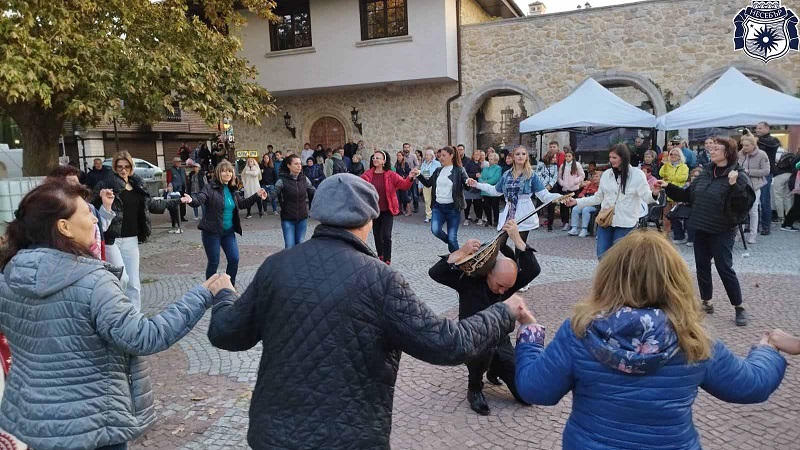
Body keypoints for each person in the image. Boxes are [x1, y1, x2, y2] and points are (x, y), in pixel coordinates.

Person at [206, 173, 530, 449]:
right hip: (349, 437)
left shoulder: (276, 266)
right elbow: (447, 344)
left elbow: (226, 332)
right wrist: (504, 312)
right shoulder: (380, 279)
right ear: (369, 220)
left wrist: (224, 294)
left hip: (272, 434)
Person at [0, 182, 225, 450]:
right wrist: (204, 294)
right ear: (64, 227)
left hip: (34, 422)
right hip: (93, 425)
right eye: (87, 213)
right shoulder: (93, 281)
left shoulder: (9, 274)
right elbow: (143, 336)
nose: (95, 219)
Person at [514, 230, 786, 450]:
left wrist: (530, 333)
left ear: (608, 277)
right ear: (676, 280)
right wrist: (768, 349)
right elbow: (752, 385)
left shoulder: (581, 332)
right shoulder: (691, 337)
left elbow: (534, 389)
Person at [429, 220, 540, 416]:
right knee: (480, 355)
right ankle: (474, 388)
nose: (504, 291)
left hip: (500, 342)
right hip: (474, 340)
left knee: (525, 395)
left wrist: (517, 240)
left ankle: (495, 369)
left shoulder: (508, 284)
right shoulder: (468, 281)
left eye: (508, 288)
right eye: (500, 286)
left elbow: (533, 270)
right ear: (489, 274)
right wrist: (461, 252)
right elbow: (435, 273)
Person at [658, 136, 756, 326]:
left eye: (716, 149)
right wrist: (668, 187)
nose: (712, 151)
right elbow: (688, 195)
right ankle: (706, 302)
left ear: (728, 153)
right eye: (711, 148)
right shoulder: (705, 173)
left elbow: (744, 205)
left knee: (724, 268)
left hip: (722, 229)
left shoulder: (738, 175)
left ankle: (739, 307)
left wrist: (734, 185)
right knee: (702, 266)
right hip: (701, 226)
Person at [93, 151, 190, 310]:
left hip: (131, 239)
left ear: (131, 167)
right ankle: (117, 311)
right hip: (112, 239)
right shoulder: (105, 185)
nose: (123, 170)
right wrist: (102, 200)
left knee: (134, 284)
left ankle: (134, 316)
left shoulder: (138, 185)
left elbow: (153, 205)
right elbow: (92, 208)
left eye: (126, 166)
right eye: (119, 167)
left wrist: (178, 201)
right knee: (121, 279)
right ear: (114, 167)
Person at [565, 144, 660, 259]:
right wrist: (576, 202)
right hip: (606, 220)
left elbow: (647, 197)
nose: (611, 160)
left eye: (614, 157)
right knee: (602, 256)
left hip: (626, 222)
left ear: (623, 157)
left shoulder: (637, 175)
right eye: (610, 157)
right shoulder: (606, 175)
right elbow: (598, 197)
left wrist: (654, 193)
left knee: (620, 258)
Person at [187, 161, 266, 286]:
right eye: (224, 171)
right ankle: (210, 289)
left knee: (234, 259)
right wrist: (191, 200)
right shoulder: (209, 188)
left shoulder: (232, 189)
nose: (227, 173)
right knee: (214, 262)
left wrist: (257, 195)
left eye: (229, 171)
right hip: (212, 232)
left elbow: (242, 204)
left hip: (228, 232)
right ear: (218, 173)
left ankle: (229, 287)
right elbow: (200, 198)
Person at [360, 151, 419, 264]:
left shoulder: (391, 175)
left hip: (388, 210)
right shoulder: (367, 175)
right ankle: (380, 256)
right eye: (374, 158)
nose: (375, 160)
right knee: (377, 235)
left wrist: (410, 177)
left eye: (378, 158)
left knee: (386, 235)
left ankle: (387, 259)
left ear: (384, 161)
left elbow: (404, 185)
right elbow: (358, 185)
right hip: (374, 211)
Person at [417, 146, 471, 252]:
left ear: (451, 156)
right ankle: (452, 244)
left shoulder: (459, 170)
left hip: (453, 208)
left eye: (443, 155)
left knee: (452, 237)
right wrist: (419, 174)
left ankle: (456, 258)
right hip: (438, 207)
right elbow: (428, 184)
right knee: (435, 230)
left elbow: (466, 184)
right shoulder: (438, 170)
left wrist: (468, 181)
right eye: (440, 155)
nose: (441, 157)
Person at [274, 154, 315, 249]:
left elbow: (314, 192)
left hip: (302, 217)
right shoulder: (282, 180)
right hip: (288, 218)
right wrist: (263, 195)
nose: (299, 166)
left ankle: (298, 259)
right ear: (289, 165)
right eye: (296, 164)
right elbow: (273, 194)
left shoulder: (304, 179)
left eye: (300, 164)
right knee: (289, 246)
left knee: (300, 244)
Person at [737, 134, 770, 244]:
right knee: (740, 210)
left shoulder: (762, 154)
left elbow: (766, 171)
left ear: (753, 145)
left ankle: (753, 235)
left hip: (755, 186)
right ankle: (739, 234)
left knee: (753, 210)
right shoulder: (740, 154)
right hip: (741, 186)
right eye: (743, 145)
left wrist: (749, 172)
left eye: (747, 145)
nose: (744, 147)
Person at [755, 121, 781, 235]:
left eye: (760, 128)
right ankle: (754, 225)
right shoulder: (755, 139)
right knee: (753, 200)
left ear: (767, 128)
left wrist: (757, 140)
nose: (757, 130)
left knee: (764, 200)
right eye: (757, 128)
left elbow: (773, 145)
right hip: (753, 172)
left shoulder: (773, 140)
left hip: (766, 173)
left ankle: (766, 226)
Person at [659, 148, 689, 236]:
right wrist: (664, 165)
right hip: (667, 192)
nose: (672, 156)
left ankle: (678, 234)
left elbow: (682, 178)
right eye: (671, 154)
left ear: (680, 156)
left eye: (675, 154)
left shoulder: (684, 167)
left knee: (677, 214)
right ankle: (666, 232)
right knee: (666, 213)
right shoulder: (666, 165)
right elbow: (661, 173)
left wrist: (669, 177)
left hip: (678, 193)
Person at [568, 170, 601, 237]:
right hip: (586, 202)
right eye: (593, 176)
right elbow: (582, 193)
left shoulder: (601, 187)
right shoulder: (589, 184)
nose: (594, 178)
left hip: (596, 206)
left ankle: (584, 229)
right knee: (575, 209)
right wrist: (582, 196)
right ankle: (574, 228)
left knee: (585, 209)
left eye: (596, 176)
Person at [557, 150, 585, 231]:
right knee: (565, 207)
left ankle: (574, 224)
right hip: (565, 189)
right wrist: (562, 183)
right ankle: (565, 223)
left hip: (574, 189)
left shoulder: (577, 165)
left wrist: (575, 181)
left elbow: (582, 175)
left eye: (569, 156)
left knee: (574, 207)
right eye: (566, 156)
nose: (567, 158)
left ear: (572, 157)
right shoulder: (563, 166)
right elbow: (559, 177)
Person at [535, 150, 560, 231]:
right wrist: (544, 186)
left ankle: (550, 224)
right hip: (541, 187)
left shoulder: (555, 166)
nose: (555, 159)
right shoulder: (541, 164)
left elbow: (555, 176)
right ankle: (534, 222)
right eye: (554, 158)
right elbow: (538, 175)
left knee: (551, 206)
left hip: (551, 187)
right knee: (538, 206)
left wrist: (550, 185)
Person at [773, 145, 798, 224]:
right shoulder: (788, 153)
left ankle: (781, 217)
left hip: (780, 175)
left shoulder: (775, 151)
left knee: (778, 196)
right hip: (789, 175)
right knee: (788, 197)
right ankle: (788, 217)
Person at [419, 148, 441, 224]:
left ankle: (436, 216)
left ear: (432, 156)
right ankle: (428, 216)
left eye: (428, 155)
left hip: (434, 185)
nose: (426, 156)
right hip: (426, 185)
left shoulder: (437, 164)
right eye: (426, 155)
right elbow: (421, 175)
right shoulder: (423, 164)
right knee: (427, 200)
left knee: (435, 201)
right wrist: (420, 186)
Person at [480, 152, 503, 228]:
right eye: (489, 159)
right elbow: (480, 177)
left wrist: (486, 182)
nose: (490, 161)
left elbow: (496, 178)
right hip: (485, 190)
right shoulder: (485, 168)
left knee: (495, 206)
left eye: (491, 159)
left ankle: (496, 221)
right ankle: (489, 221)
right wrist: (482, 182)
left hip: (494, 190)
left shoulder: (498, 168)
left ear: (496, 160)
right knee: (486, 206)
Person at [463, 149, 484, 226]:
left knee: (478, 203)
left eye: (478, 155)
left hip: (478, 186)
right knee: (467, 203)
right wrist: (474, 175)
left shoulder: (481, 164)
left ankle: (479, 218)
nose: (477, 156)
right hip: (469, 186)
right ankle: (466, 218)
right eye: (475, 154)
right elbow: (465, 174)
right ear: (473, 155)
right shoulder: (469, 163)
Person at [166, 156, 189, 224]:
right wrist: (169, 187)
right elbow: (169, 180)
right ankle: (175, 217)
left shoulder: (183, 170)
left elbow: (185, 178)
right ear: (174, 162)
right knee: (175, 204)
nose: (179, 163)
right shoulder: (170, 170)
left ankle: (182, 216)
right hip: (175, 190)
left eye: (180, 161)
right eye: (178, 161)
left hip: (183, 189)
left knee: (183, 203)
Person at [402, 143, 421, 213]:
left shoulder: (413, 156)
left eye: (407, 147)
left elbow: (417, 165)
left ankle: (416, 207)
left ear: (409, 148)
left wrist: (413, 171)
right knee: (406, 194)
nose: (406, 149)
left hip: (413, 178)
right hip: (405, 178)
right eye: (405, 147)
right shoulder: (402, 156)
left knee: (414, 193)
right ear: (403, 148)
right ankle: (406, 208)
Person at [394, 151, 413, 217]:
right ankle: (401, 210)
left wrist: (404, 176)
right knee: (399, 196)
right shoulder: (397, 164)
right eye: (397, 155)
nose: (398, 157)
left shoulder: (405, 164)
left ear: (402, 156)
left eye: (399, 155)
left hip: (404, 182)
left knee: (405, 197)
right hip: (398, 182)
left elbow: (409, 172)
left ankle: (409, 211)